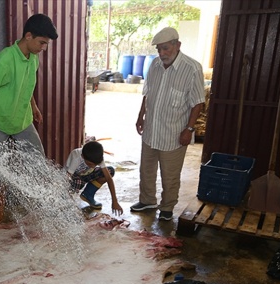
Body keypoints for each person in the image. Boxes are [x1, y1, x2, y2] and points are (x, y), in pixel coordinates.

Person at [0, 13, 58, 224]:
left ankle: (39, 198)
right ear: (28, 36)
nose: (43, 48)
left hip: (22, 119)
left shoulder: (34, 58)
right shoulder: (5, 59)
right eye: (42, 43)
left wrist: (34, 106)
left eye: (46, 44)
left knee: (38, 158)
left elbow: (27, 86)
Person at [131, 27, 205, 221]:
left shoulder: (192, 68)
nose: (162, 54)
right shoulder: (154, 65)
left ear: (177, 45)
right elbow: (147, 93)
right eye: (159, 50)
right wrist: (141, 116)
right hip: (151, 129)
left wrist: (189, 129)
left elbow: (198, 101)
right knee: (146, 170)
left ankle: (167, 207)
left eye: (165, 49)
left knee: (170, 174)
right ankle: (147, 200)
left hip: (174, 133)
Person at [65, 141, 123, 215]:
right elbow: (67, 178)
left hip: (86, 175)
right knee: (77, 182)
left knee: (110, 171)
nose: (93, 166)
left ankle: (88, 194)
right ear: (83, 157)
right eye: (90, 164)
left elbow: (109, 179)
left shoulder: (97, 157)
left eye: (95, 165)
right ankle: (67, 204)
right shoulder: (76, 157)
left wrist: (115, 201)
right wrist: (68, 200)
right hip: (73, 178)